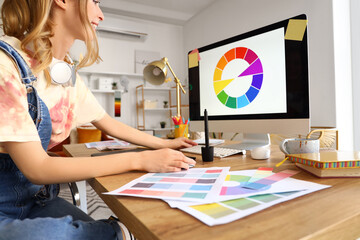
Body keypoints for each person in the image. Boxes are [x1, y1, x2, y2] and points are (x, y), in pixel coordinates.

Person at [0, 0, 197, 239]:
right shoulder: (6, 65)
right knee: (51, 233)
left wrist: (164, 144)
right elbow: (38, 168)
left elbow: (107, 122)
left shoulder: (65, 73)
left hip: (36, 200)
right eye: (95, 2)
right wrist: (141, 159)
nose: (101, 15)